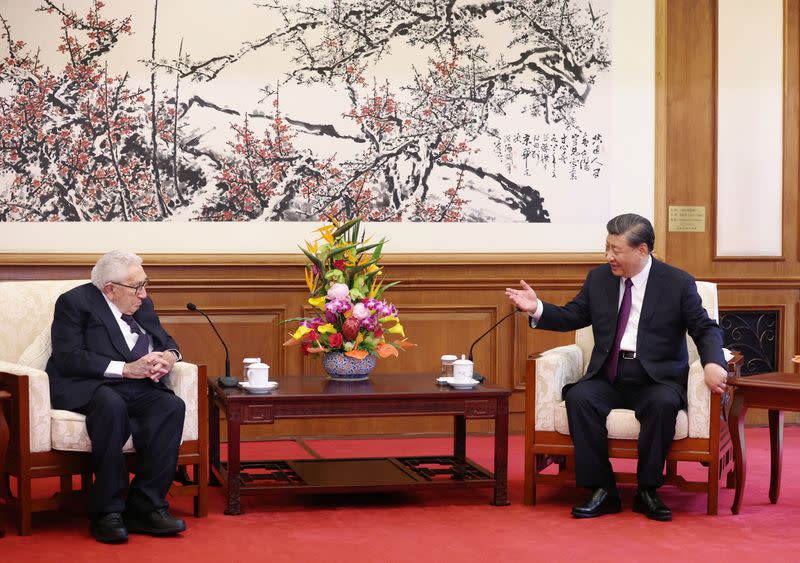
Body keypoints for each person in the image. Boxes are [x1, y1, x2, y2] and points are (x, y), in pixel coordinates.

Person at [505, 213, 728, 521]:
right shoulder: (599, 278)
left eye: (616, 249)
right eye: (606, 247)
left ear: (642, 250)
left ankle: (647, 490)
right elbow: (574, 315)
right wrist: (537, 308)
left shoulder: (676, 283)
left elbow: (705, 328)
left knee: (663, 405)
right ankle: (602, 489)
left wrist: (713, 362)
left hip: (656, 379)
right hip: (609, 376)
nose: (608, 256)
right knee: (580, 398)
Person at [46, 250, 187, 543]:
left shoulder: (140, 305)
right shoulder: (75, 303)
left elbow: (166, 340)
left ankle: (146, 506)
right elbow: (68, 357)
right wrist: (125, 369)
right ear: (110, 289)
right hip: (89, 385)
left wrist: (169, 357)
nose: (144, 294)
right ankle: (106, 511)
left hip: (136, 386)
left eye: (145, 285)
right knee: (111, 405)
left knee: (170, 406)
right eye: (138, 287)